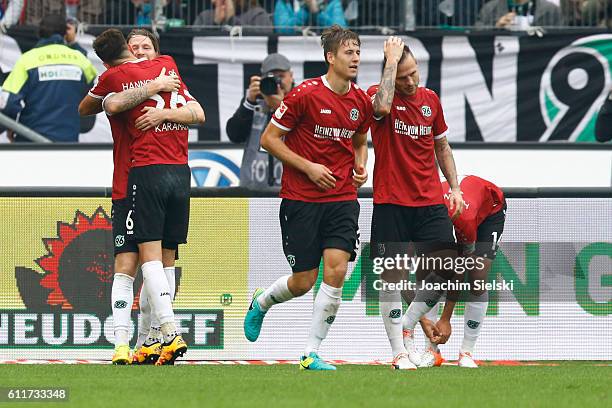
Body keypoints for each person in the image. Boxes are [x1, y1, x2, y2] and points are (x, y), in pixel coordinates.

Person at [243, 25, 372, 371]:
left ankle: (310, 353)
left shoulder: (360, 101)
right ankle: (262, 301)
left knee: (337, 270)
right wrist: (310, 168)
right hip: (301, 198)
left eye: (358, 51)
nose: (356, 57)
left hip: (343, 199)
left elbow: (360, 142)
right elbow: (269, 140)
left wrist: (361, 167)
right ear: (330, 57)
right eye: (349, 52)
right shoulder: (304, 94)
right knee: (303, 282)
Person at [85, 28, 205, 365]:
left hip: (150, 174)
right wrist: (152, 87)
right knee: (131, 263)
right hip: (133, 181)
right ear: (126, 49)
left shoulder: (164, 69)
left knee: (159, 261)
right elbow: (102, 105)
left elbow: (198, 113)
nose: (140, 52)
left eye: (146, 46)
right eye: (134, 47)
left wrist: (164, 111)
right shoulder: (148, 74)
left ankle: (155, 336)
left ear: (155, 50)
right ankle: (131, 341)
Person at [367, 37, 463, 370]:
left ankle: (413, 331)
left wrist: (455, 187)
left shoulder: (431, 101)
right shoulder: (379, 95)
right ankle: (399, 352)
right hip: (391, 201)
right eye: (402, 75)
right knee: (391, 279)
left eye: (413, 73)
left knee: (445, 272)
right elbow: (379, 108)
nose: (410, 81)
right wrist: (390, 63)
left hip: (430, 202)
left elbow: (442, 147)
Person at [418, 175, 506, 368]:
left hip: (490, 210)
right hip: (453, 209)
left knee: (477, 275)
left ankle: (466, 352)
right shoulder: (422, 215)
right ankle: (431, 350)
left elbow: (460, 269)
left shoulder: (463, 220)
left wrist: (446, 319)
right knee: (431, 275)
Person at [0, 14, 97, 142]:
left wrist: (10, 126)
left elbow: (9, 104)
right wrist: (73, 42)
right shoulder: (82, 61)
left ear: (39, 33)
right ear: (65, 34)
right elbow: (93, 101)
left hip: (31, 141)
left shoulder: (27, 60)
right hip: (68, 143)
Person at [226, 53, 294, 188]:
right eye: (272, 77)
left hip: (288, 187)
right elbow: (235, 135)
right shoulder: (255, 101)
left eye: (281, 77)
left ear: (291, 76)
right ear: (262, 78)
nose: (277, 82)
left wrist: (281, 108)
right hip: (251, 187)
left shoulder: (300, 99)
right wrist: (248, 103)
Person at [192, 0, 272, 33]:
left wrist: (231, 20)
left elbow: (264, 39)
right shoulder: (204, 16)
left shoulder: (258, 14)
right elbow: (192, 41)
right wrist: (215, 24)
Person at [476, 0, 564, 28]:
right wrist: (496, 27)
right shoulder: (490, 8)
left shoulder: (551, 10)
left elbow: (564, 39)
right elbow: (475, 35)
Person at [274, 0, 347, 33]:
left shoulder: (332, 2)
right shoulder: (285, 2)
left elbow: (342, 31)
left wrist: (317, 14)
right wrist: (306, 10)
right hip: (294, 51)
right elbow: (281, 30)